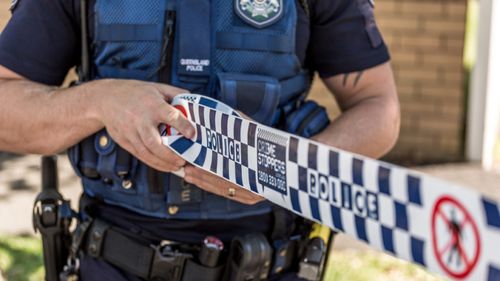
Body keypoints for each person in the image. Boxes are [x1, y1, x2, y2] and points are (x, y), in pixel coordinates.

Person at [0, 0, 400, 280]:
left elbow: (379, 108)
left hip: (273, 259)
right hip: (115, 262)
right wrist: (102, 101)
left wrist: (287, 171)